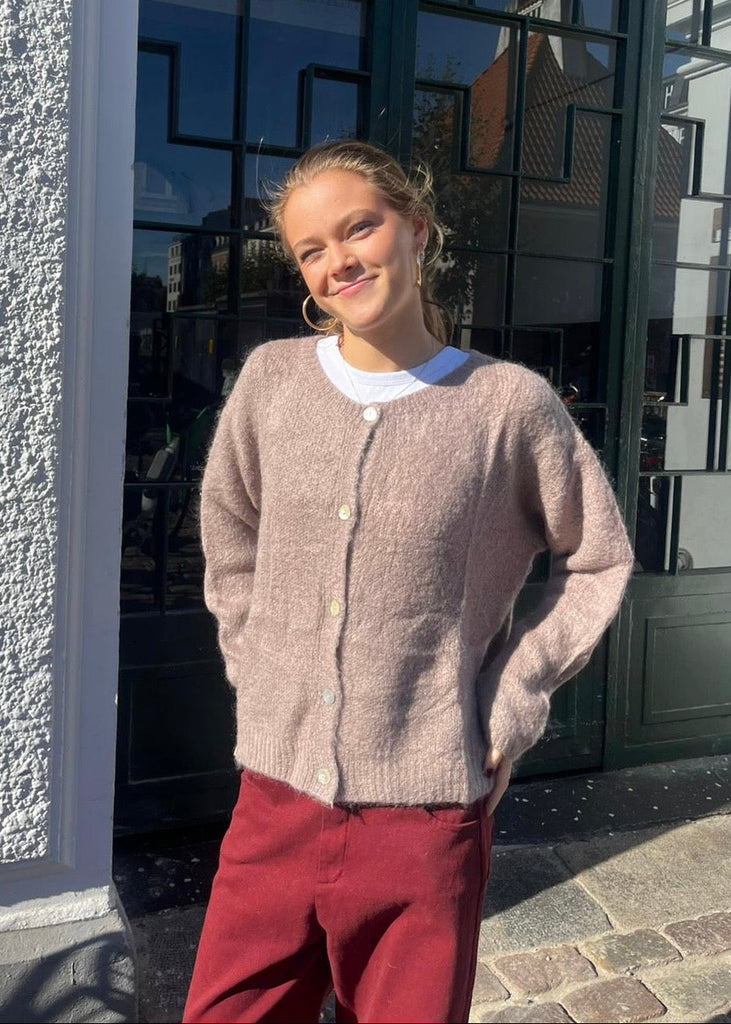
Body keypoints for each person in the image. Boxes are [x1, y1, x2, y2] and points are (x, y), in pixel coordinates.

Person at [182, 140, 634, 1024]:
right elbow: (230, 538)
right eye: (312, 249)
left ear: (416, 230)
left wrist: (513, 694)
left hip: (423, 814)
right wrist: (254, 662)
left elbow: (599, 558)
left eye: (359, 229)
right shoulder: (271, 384)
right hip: (273, 799)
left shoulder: (508, 406)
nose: (339, 262)